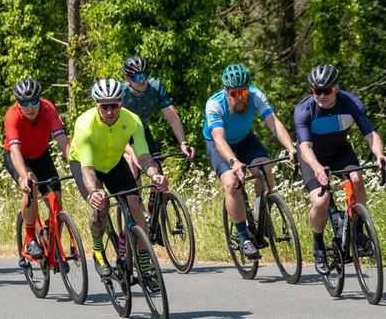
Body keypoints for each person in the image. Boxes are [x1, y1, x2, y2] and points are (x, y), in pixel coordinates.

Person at [69, 79, 168, 289]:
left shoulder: (132, 120)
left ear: (121, 103)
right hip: (85, 164)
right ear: (97, 105)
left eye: (114, 105)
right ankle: (97, 251)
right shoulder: (84, 124)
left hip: (114, 163)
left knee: (135, 203)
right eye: (104, 106)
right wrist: (94, 191)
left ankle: (145, 266)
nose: (110, 110)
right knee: (101, 203)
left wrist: (155, 175)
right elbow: (87, 168)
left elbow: (144, 156)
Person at [293, 64, 385, 275]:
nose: (322, 96)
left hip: (340, 151)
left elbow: (370, 135)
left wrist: (380, 155)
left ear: (336, 88)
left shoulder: (351, 103)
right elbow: (304, 147)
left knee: (357, 178)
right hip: (313, 156)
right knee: (321, 200)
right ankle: (318, 247)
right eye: (317, 91)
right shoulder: (304, 110)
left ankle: (359, 231)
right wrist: (316, 168)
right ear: (312, 90)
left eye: (327, 90)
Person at [203, 64, 296, 259]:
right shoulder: (214, 104)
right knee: (231, 183)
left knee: (266, 169)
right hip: (219, 143)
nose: (240, 97)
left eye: (243, 91)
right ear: (226, 91)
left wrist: (290, 147)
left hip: (245, 139)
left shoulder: (256, 95)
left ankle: (260, 215)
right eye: (235, 93)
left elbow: (274, 123)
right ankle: (243, 236)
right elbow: (219, 140)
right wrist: (234, 162)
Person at [3, 79, 70, 260]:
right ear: (18, 103)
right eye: (25, 103)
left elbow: (61, 139)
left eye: (34, 102)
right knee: (31, 184)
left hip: (41, 156)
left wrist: (74, 161)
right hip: (17, 157)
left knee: (56, 201)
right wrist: (24, 177)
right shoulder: (12, 116)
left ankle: (51, 234)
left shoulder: (48, 108)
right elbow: (15, 150)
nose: (30, 107)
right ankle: (31, 238)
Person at [121, 55, 195, 216]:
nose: (142, 81)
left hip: (142, 132)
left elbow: (173, 118)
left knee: (157, 170)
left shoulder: (155, 88)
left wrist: (183, 143)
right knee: (133, 168)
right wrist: (132, 155)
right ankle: (136, 211)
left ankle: (154, 211)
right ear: (127, 79)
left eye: (144, 75)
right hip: (122, 134)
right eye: (136, 77)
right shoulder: (121, 93)